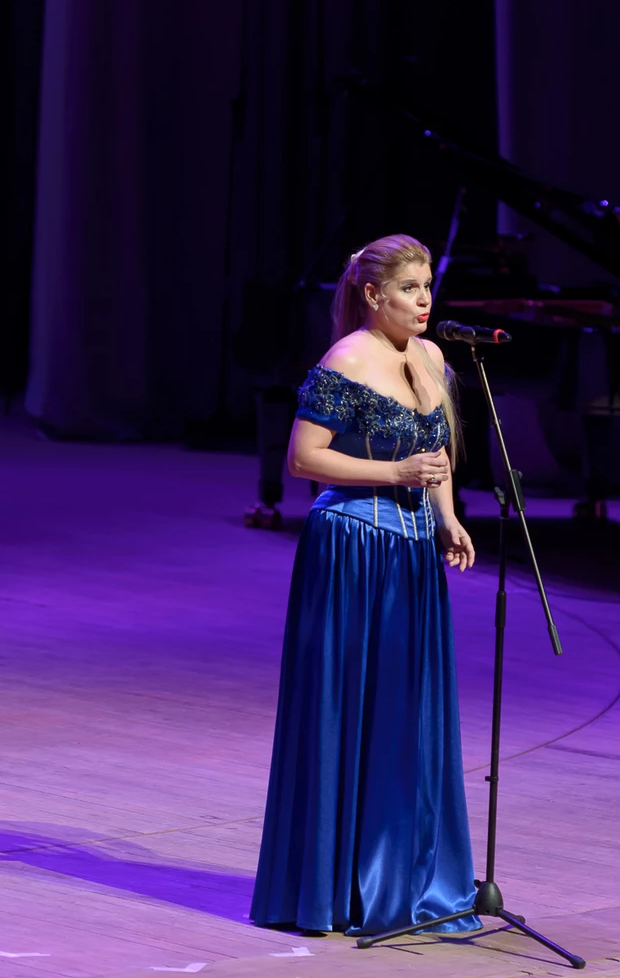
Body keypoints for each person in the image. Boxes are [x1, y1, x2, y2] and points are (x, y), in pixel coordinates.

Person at [250, 234, 482, 936]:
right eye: (409, 289)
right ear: (373, 294)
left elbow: (436, 455)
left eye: (427, 287)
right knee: (346, 706)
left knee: (405, 715)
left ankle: (404, 879)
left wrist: (447, 518)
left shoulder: (432, 357)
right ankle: (333, 888)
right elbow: (303, 459)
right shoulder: (346, 359)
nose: (423, 301)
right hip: (353, 548)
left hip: (412, 555)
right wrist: (393, 474)